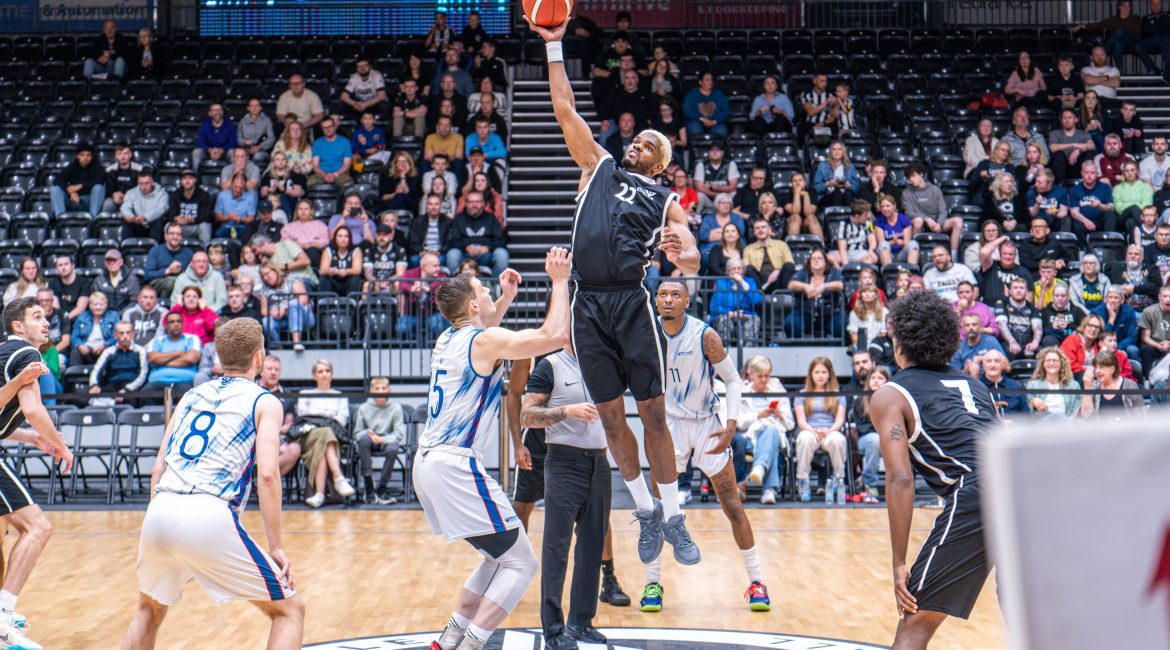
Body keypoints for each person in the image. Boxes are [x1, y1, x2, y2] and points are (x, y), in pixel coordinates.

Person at [531, 16, 704, 568]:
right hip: (588, 300)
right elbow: (565, 111)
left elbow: (693, 252)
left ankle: (674, 515)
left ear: (663, 162)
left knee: (653, 414)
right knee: (610, 418)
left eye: (650, 142)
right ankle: (648, 511)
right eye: (637, 138)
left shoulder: (666, 199)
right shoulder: (599, 165)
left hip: (632, 301)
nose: (638, 142)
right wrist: (555, 48)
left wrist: (684, 256)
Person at [413, 248, 571, 650]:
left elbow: (485, 336)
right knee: (521, 563)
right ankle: (473, 643)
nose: (488, 291)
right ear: (471, 304)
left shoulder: (449, 337)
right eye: (483, 289)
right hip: (454, 464)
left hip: (428, 463)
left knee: (497, 555)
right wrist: (558, 280)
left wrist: (504, 299)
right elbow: (554, 337)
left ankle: (449, 640)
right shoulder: (482, 341)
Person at [122, 318, 302, 650]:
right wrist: (275, 545)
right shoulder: (265, 401)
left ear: (217, 357)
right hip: (208, 511)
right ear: (259, 357)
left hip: (160, 509)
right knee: (289, 610)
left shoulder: (190, 396)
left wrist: (162, 519)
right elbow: (267, 474)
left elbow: (158, 468)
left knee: (148, 609)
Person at [869, 291, 996, 649]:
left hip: (979, 489)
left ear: (900, 343)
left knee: (914, 623)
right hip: (1026, 483)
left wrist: (898, 561)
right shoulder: (976, 386)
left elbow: (900, 477)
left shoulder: (890, 394)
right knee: (1024, 613)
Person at [643, 281, 769, 612]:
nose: (668, 299)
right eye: (662, 294)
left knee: (732, 504)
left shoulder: (704, 335)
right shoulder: (646, 331)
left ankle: (757, 582)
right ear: (656, 300)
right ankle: (652, 584)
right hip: (668, 426)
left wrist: (731, 425)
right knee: (657, 510)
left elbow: (731, 379)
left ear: (687, 300)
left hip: (706, 426)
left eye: (675, 295)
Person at [518, 340, 619, 646]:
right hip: (563, 462)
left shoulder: (606, 362)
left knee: (591, 545)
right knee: (556, 549)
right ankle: (553, 630)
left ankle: (581, 622)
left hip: (600, 463)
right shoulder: (551, 365)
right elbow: (526, 415)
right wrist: (565, 411)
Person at [0, 298, 76, 648]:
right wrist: (59, 443)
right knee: (38, 526)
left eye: (45, 316)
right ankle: (3, 617)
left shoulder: (4, 353)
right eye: (36, 316)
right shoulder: (27, 355)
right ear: (18, 326)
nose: (45, 322)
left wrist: (30, 438)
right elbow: (33, 408)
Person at [291, 359, 355, 507]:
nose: (324, 374)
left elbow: (341, 420)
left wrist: (317, 415)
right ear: (314, 376)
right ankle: (339, 478)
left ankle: (319, 494)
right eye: (320, 371)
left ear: (332, 374)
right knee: (325, 433)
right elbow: (303, 417)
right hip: (308, 438)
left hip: (332, 437)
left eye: (327, 371)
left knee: (324, 438)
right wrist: (327, 415)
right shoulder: (304, 394)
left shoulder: (340, 396)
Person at [738, 355, 793, 505]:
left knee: (771, 430)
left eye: (767, 376)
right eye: (759, 376)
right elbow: (738, 422)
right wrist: (758, 416)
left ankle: (760, 467)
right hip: (749, 438)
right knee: (771, 433)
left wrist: (781, 416)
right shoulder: (742, 392)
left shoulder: (778, 393)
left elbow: (790, 424)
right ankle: (769, 490)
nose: (763, 379)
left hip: (774, 434)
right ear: (750, 374)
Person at [793, 357, 847, 503]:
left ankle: (839, 478)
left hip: (830, 430)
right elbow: (801, 421)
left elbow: (840, 420)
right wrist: (814, 431)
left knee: (838, 439)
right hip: (809, 430)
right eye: (817, 372)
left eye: (824, 372)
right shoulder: (801, 394)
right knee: (804, 439)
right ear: (811, 374)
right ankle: (803, 480)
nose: (820, 375)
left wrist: (828, 431)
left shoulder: (838, 394)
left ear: (830, 373)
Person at [351, 376, 404, 505]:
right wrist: (368, 433)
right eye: (377, 388)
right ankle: (369, 485)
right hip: (369, 440)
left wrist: (382, 439)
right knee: (363, 441)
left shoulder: (396, 408)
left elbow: (398, 433)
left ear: (389, 390)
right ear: (372, 391)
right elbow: (357, 433)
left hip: (386, 440)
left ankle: (382, 488)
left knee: (394, 448)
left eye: (383, 388)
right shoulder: (363, 408)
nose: (380, 391)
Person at [785, 248, 845, 339]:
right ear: (809, 262)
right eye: (813, 258)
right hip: (804, 313)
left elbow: (840, 284)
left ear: (825, 262)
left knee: (843, 324)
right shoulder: (803, 273)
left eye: (820, 258)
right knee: (791, 324)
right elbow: (791, 285)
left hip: (830, 314)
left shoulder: (833, 273)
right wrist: (805, 286)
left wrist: (824, 286)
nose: (816, 260)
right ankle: (799, 349)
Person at [447, 192, 509, 276]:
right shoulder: (459, 218)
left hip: (486, 255)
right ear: (466, 204)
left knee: (502, 254)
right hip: (465, 254)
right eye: (471, 202)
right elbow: (453, 241)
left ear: (483, 203)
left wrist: (488, 247)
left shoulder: (491, 218)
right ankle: (457, 286)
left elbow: (500, 240)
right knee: (452, 254)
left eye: (478, 202)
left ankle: (496, 286)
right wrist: (466, 247)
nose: (474, 205)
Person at [852, 366, 890, 502]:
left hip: (888, 438)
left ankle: (899, 483)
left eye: (880, 378)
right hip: (866, 440)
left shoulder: (894, 401)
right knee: (875, 440)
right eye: (873, 378)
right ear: (868, 381)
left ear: (887, 382)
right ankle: (869, 482)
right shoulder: (859, 401)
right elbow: (863, 428)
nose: (876, 381)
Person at [143, 311, 201, 397]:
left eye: (179, 321)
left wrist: (161, 361)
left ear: (183, 324)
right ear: (166, 325)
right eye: (172, 322)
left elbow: (192, 359)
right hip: (157, 381)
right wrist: (179, 353)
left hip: (184, 381)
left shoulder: (192, 339)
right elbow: (152, 358)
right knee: (146, 392)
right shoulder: (156, 341)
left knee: (187, 396)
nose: (176, 324)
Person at [87, 321, 148, 402]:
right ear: (115, 336)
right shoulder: (109, 351)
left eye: (128, 333)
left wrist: (126, 390)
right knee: (88, 399)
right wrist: (94, 385)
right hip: (112, 386)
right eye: (121, 333)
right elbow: (97, 370)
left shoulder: (141, 351)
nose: (125, 336)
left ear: (133, 334)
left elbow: (143, 374)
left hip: (132, 387)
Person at [1078, 350, 1144, 419]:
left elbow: (1141, 417)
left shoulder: (1129, 386)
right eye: (1096, 367)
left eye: (1101, 367)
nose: (1097, 371)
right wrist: (1087, 387)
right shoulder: (1094, 386)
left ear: (1113, 368)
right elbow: (1086, 415)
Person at [50, 141, 105, 217]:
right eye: (82, 155)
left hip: (88, 201)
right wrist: (71, 192)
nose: (86, 158)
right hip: (72, 200)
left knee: (99, 187)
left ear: (92, 156)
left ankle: (93, 220)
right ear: (78, 156)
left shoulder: (97, 166)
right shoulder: (72, 166)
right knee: (55, 189)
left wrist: (80, 186)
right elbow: (57, 180)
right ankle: (60, 219)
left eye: (88, 155)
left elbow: (100, 180)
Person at [970, 349, 1029, 419]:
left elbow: (1026, 414)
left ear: (1003, 365)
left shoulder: (1015, 386)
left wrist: (1014, 424)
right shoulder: (977, 388)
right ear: (983, 365)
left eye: (997, 361)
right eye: (989, 361)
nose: (993, 365)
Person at [1068, 161, 1117, 242]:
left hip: (1101, 220)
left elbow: (1111, 207)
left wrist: (1099, 206)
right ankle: (1082, 251)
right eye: (1086, 172)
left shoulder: (1105, 187)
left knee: (1111, 215)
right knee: (1076, 224)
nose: (1089, 175)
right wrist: (1086, 221)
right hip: (1084, 221)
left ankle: (1109, 244)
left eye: (1092, 173)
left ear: (1097, 174)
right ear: (1082, 173)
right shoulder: (1074, 190)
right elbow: (1074, 213)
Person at [742, 218, 795, 293]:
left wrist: (778, 270)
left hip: (778, 280)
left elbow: (790, 262)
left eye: (763, 227)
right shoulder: (748, 249)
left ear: (769, 230)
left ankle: (785, 294)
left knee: (789, 265)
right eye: (757, 228)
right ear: (754, 232)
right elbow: (745, 270)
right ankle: (759, 294)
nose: (760, 230)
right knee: (748, 268)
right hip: (759, 283)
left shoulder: (782, 245)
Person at [996, 278, 1043, 361]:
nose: (1018, 290)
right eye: (1015, 288)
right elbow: (1002, 325)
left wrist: (1035, 342)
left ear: (1026, 291)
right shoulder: (1002, 304)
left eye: (1021, 288)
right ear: (1010, 291)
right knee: (1009, 350)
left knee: (1041, 352)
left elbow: (1037, 328)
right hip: (1008, 343)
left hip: (1028, 344)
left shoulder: (1032, 308)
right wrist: (1012, 342)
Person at [1027, 347, 1080, 418]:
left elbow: (1076, 412)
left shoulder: (1074, 386)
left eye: (1055, 360)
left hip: (1066, 425)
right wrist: (1033, 401)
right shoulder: (1033, 385)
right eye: (1048, 360)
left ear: (1061, 363)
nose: (1051, 363)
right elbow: (1027, 409)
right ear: (1043, 364)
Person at [70, 290, 119, 366]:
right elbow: (74, 336)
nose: (98, 307)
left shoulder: (114, 316)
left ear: (106, 305)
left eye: (101, 304)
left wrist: (104, 345)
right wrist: (80, 346)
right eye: (95, 304)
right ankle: (75, 377)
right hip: (86, 348)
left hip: (105, 348)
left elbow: (117, 336)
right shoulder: (82, 316)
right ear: (90, 305)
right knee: (75, 353)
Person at [121, 169, 169, 241]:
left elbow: (161, 209)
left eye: (146, 183)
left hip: (153, 224)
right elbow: (125, 206)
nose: (143, 186)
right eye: (141, 183)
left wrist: (145, 217)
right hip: (137, 223)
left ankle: (154, 247)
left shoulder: (162, 193)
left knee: (158, 220)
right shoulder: (131, 193)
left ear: (152, 182)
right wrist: (129, 216)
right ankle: (126, 247)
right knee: (126, 221)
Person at [168, 168, 214, 242]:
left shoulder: (203, 195)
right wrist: (176, 218)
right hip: (180, 227)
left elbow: (206, 216)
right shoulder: (175, 194)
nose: (187, 181)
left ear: (195, 180)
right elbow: (170, 214)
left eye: (190, 178)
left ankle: (205, 251)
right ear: (181, 181)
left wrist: (190, 220)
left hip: (196, 226)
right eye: (185, 178)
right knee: (168, 226)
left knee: (204, 226)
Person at [875, 194, 920, 265]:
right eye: (882, 207)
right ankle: (888, 272)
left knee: (913, 243)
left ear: (894, 205)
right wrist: (893, 242)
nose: (885, 209)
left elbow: (906, 243)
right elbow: (881, 243)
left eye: (887, 206)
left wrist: (899, 242)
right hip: (887, 253)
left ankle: (912, 271)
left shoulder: (903, 219)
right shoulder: (879, 221)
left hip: (901, 253)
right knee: (883, 244)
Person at [318, 226, 364, 297]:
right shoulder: (328, 250)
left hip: (348, 281)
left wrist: (345, 272)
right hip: (333, 281)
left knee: (355, 278)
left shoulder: (356, 250)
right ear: (335, 238)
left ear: (350, 239)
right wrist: (331, 271)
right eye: (340, 236)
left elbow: (357, 270)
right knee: (324, 278)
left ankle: (352, 305)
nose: (343, 239)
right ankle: (325, 305)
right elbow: (322, 270)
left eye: (346, 236)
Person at [682, 71, 730, 138]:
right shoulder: (692, 94)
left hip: (715, 123)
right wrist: (701, 119)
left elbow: (726, 110)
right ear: (700, 82)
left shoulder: (719, 94)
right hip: (697, 121)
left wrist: (714, 121)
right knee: (694, 129)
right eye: (707, 80)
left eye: (711, 80)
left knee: (721, 131)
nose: (710, 82)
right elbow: (687, 110)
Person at [309, 117, 353, 188]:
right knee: (311, 183)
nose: (328, 129)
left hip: (339, 173)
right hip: (322, 173)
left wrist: (335, 174)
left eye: (330, 126)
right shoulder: (317, 143)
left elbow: (346, 165)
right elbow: (315, 165)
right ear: (322, 129)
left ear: (334, 126)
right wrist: (324, 175)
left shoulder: (345, 142)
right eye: (325, 127)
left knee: (348, 184)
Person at [213, 173, 258, 240]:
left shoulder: (250, 198)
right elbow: (217, 216)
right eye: (236, 187)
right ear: (231, 184)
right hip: (226, 226)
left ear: (244, 187)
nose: (238, 190)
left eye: (241, 188)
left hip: (242, 227)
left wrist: (241, 219)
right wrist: (228, 217)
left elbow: (251, 218)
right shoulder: (222, 196)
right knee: (218, 234)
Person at [193, 104, 237, 170]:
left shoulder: (229, 124)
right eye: (214, 110)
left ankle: (235, 177)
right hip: (208, 151)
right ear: (209, 113)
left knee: (233, 152)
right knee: (196, 152)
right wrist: (210, 150)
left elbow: (233, 141)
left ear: (223, 112)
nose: (217, 112)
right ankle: (196, 177)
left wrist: (222, 150)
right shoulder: (205, 124)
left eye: (219, 110)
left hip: (225, 151)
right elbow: (201, 141)